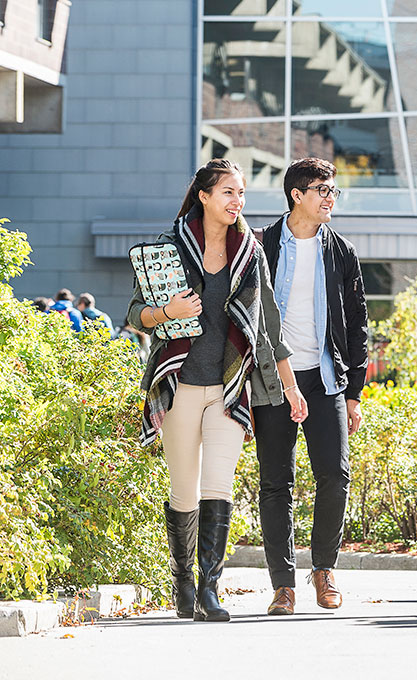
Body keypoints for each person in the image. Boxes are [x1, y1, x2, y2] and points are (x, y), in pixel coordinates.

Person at [126, 159, 308, 622]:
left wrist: (290, 388)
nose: (237, 201)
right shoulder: (169, 249)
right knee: (183, 488)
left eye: (242, 193)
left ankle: (210, 589)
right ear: (204, 195)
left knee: (217, 486)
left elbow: (267, 327)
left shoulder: (250, 252)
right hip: (180, 384)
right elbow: (134, 313)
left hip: (230, 388)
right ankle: (183, 581)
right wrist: (164, 311)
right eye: (228, 192)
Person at [254, 158, 369, 616]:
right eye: (322, 189)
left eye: (333, 190)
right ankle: (282, 585)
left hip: (324, 378)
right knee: (275, 481)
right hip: (269, 379)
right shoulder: (261, 245)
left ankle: (324, 569)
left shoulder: (340, 252)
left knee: (335, 475)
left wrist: (356, 392)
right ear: (296, 194)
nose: (330, 198)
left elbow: (358, 325)